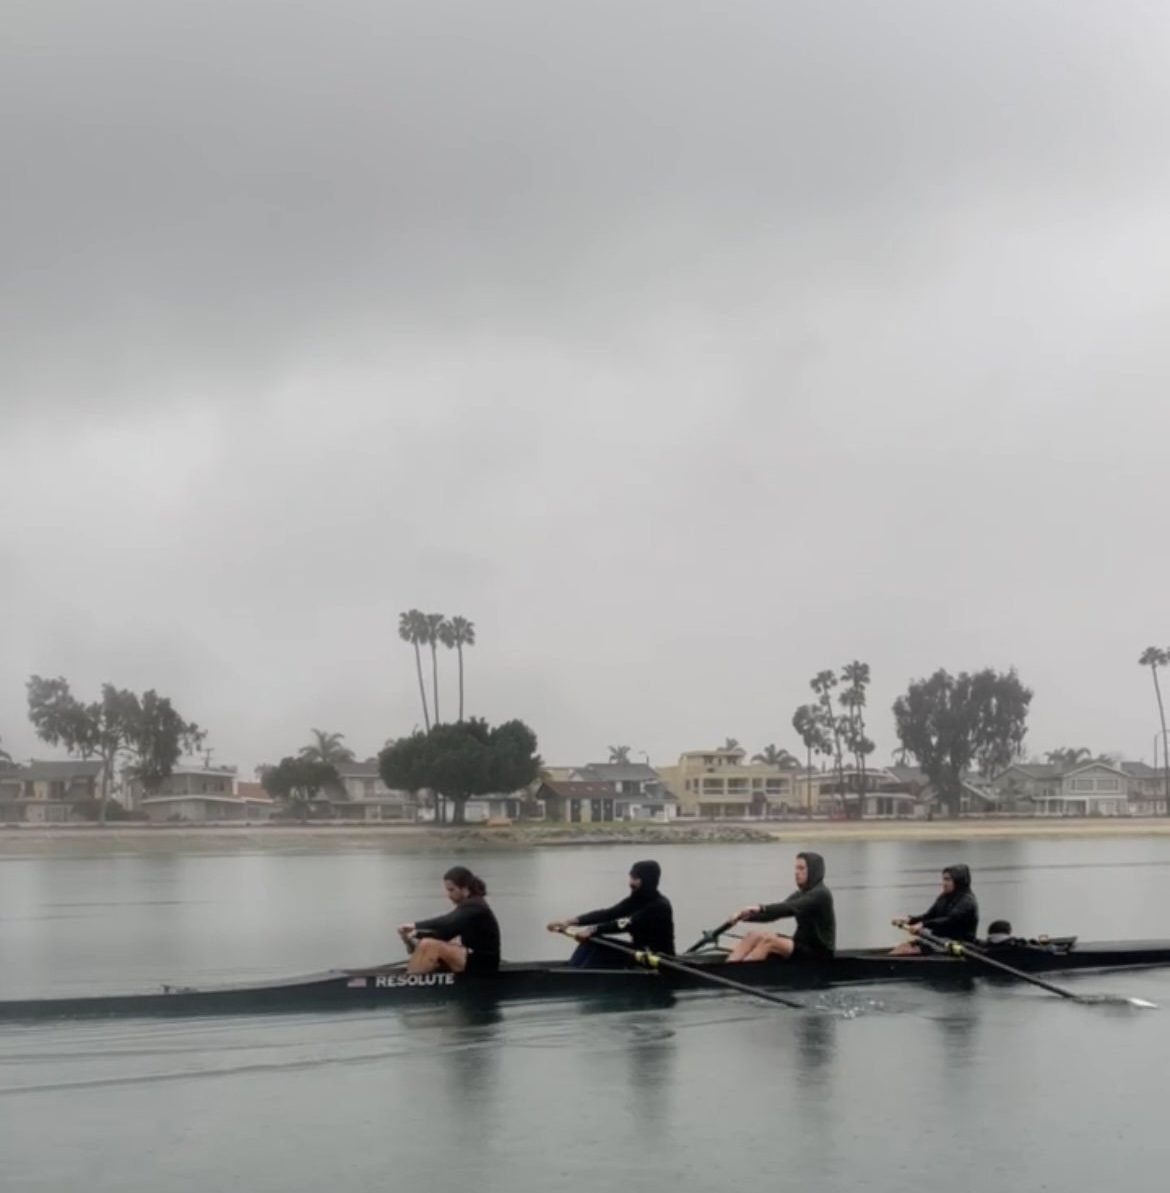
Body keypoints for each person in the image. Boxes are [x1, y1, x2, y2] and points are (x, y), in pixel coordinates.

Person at [546, 859, 675, 966]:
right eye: (631, 877)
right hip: (638, 952)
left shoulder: (659, 906)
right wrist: (569, 922)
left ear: (646, 880)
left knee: (595, 940)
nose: (630, 882)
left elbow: (626, 924)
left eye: (634, 878)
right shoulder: (634, 901)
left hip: (659, 959)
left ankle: (576, 977)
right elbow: (607, 914)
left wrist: (593, 929)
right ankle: (573, 970)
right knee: (591, 942)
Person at [725, 851, 835, 962]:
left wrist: (761, 907)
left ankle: (744, 974)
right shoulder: (801, 894)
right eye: (796, 868)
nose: (796, 873)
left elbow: (789, 907)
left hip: (819, 953)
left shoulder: (821, 894)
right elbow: (775, 914)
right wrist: (742, 917)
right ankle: (729, 969)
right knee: (753, 935)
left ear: (814, 871)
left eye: (801, 868)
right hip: (800, 945)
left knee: (769, 940)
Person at [398, 866, 501, 976]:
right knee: (433, 942)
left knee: (429, 945)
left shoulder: (475, 905)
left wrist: (415, 926)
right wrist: (412, 936)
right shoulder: (469, 905)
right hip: (473, 957)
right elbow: (444, 933)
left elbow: (447, 922)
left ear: (465, 888)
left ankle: (409, 986)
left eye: (451, 890)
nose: (448, 895)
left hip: (484, 965)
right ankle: (419, 977)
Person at [891, 864, 978, 954]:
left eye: (948, 880)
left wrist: (923, 924)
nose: (943, 883)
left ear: (958, 881)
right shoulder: (944, 897)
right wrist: (910, 920)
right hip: (939, 941)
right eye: (943, 879)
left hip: (960, 946)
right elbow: (929, 916)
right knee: (902, 947)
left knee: (906, 951)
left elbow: (950, 920)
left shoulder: (967, 901)